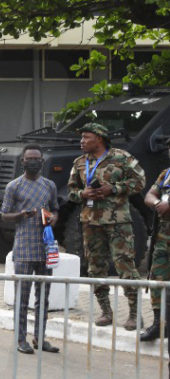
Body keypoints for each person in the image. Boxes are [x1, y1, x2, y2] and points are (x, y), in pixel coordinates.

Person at [67, 122, 145, 329]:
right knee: (95, 268)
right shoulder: (80, 163)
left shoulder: (122, 157)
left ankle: (135, 314)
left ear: (99, 139)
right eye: (82, 137)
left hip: (118, 222)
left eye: (86, 137)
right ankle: (106, 312)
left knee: (125, 266)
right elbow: (71, 190)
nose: (82, 141)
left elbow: (140, 182)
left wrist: (115, 189)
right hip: (90, 222)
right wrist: (82, 194)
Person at [0, 145, 59, 353]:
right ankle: (20, 339)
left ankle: (40, 339)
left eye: (36, 158)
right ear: (22, 161)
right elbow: (5, 215)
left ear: (42, 161)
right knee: (22, 298)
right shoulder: (13, 186)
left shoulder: (49, 185)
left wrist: (52, 219)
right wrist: (21, 214)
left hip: (45, 248)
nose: (32, 161)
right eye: (29, 158)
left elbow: (55, 209)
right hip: (24, 248)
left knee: (43, 298)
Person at [142, 136, 170, 342]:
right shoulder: (166, 174)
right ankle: (159, 324)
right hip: (163, 238)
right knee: (157, 280)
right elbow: (149, 196)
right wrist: (158, 202)